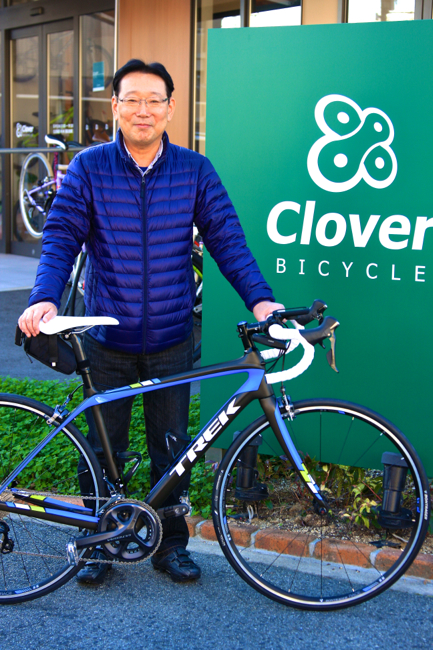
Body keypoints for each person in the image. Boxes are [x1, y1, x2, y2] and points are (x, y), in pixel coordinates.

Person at [18, 59, 284, 585]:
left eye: (154, 100)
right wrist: (45, 297)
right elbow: (61, 237)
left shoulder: (194, 170)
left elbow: (227, 240)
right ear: (115, 106)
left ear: (170, 107)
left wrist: (261, 302)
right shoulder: (89, 168)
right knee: (102, 450)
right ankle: (99, 544)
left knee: (174, 447)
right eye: (133, 99)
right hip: (106, 337)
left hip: (170, 336)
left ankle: (170, 545)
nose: (144, 110)